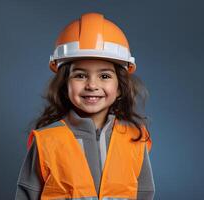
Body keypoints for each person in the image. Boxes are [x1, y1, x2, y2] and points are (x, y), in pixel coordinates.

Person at [15, 12, 155, 200]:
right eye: (80, 75)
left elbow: (145, 194)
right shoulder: (46, 141)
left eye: (104, 76)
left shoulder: (135, 139)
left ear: (120, 87)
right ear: (65, 85)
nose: (92, 85)